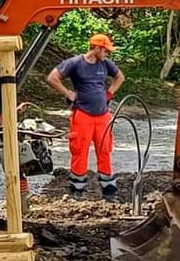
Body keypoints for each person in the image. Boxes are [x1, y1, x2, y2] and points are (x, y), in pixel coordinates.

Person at [49, 33, 124, 198]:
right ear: (97, 48)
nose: (108, 54)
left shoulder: (105, 63)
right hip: (83, 114)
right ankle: (78, 190)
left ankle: (109, 191)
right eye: (106, 50)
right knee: (80, 151)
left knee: (105, 150)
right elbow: (53, 78)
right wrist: (68, 94)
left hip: (103, 115)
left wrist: (109, 93)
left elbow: (120, 77)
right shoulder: (75, 63)